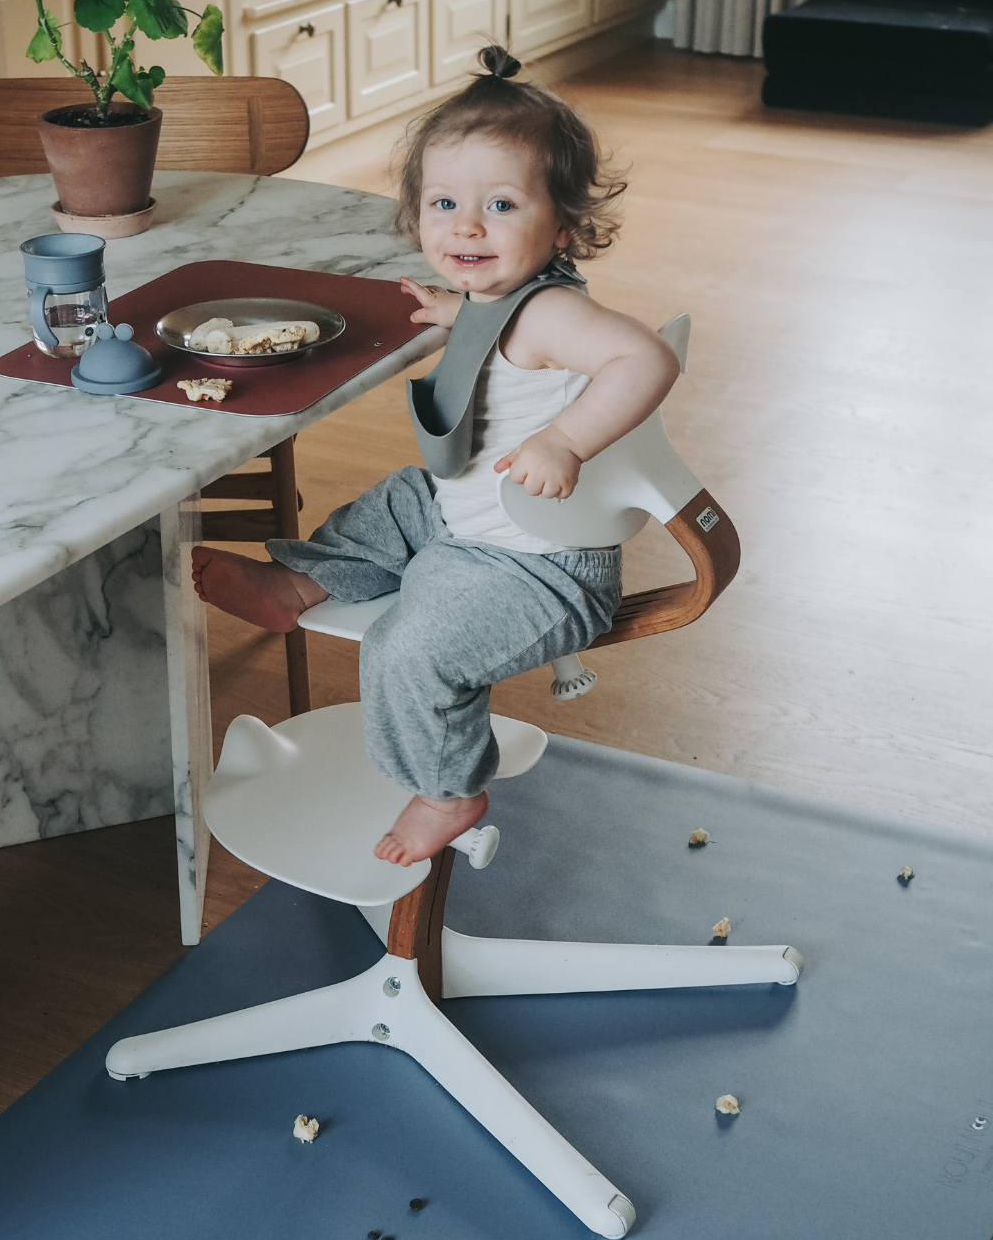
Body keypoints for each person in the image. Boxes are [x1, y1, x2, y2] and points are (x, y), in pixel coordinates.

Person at [192, 46, 679, 869]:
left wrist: (566, 439)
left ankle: (449, 788)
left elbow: (648, 361)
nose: (466, 225)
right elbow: (505, 327)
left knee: (407, 649)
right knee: (395, 502)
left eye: (500, 204)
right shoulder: (506, 298)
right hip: (478, 515)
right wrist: (461, 313)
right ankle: (298, 583)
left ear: (561, 225)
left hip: (538, 568)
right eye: (444, 202)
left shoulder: (552, 312)